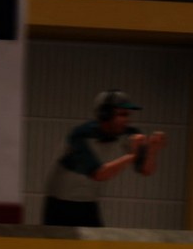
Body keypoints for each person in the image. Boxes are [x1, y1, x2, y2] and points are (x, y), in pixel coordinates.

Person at [42, 89, 166, 227]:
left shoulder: (126, 132)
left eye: (128, 115)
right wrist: (133, 155)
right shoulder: (80, 135)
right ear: (105, 114)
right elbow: (99, 174)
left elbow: (145, 170)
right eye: (122, 114)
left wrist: (153, 150)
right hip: (60, 202)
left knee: (98, 240)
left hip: (88, 201)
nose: (127, 120)